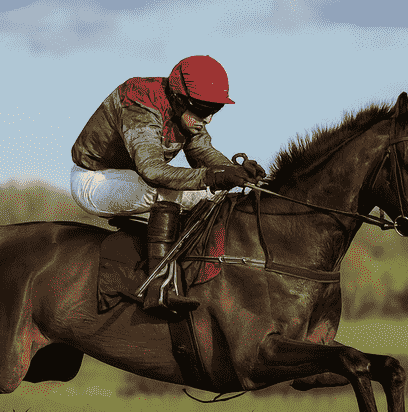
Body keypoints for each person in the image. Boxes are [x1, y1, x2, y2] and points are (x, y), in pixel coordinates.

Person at [70, 55, 265, 318]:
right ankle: (157, 285)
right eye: (204, 109)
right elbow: (153, 171)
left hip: (134, 180)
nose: (208, 119)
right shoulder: (140, 101)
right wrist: (216, 177)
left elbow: (202, 151)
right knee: (164, 190)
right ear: (180, 99)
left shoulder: (185, 112)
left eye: (214, 110)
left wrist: (236, 173)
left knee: (214, 195)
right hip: (94, 180)